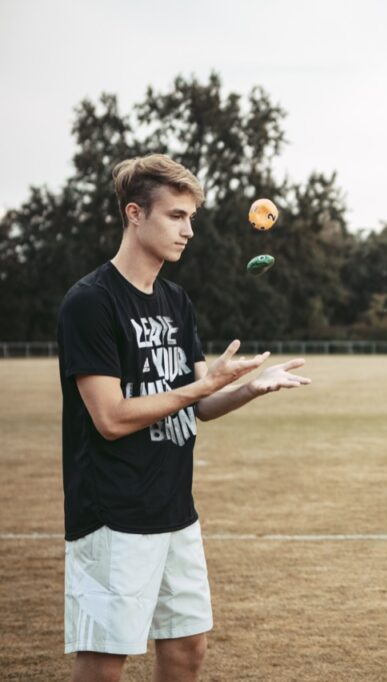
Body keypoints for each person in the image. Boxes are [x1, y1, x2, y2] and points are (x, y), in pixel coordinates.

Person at [58, 154, 311, 682]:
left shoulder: (176, 301)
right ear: (134, 213)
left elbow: (197, 404)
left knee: (187, 647)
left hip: (176, 510)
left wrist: (248, 391)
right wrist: (201, 386)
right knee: (106, 659)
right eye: (176, 216)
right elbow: (110, 417)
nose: (188, 231)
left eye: (190, 217)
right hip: (113, 512)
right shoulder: (91, 302)